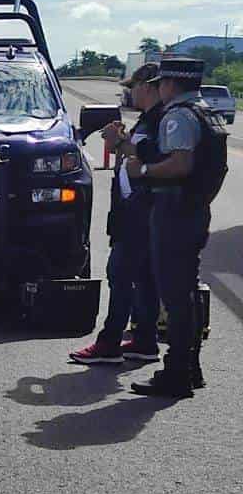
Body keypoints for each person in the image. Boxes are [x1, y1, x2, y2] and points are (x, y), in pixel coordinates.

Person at [125, 56, 227, 398]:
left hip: (174, 212)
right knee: (186, 293)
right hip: (193, 210)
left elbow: (180, 164)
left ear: (169, 84)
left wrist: (143, 171)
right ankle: (189, 366)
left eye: (162, 83)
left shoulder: (179, 117)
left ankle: (177, 372)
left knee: (176, 296)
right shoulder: (205, 112)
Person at [70, 63, 164, 365]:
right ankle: (144, 340)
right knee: (144, 277)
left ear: (147, 86)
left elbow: (150, 155)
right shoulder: (151, 118)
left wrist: (118, 142)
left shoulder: (158, 120)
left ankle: (110, 343)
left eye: (131, 87)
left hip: (140, 211)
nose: (128, 93)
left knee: (120, 275)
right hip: (138, 209)